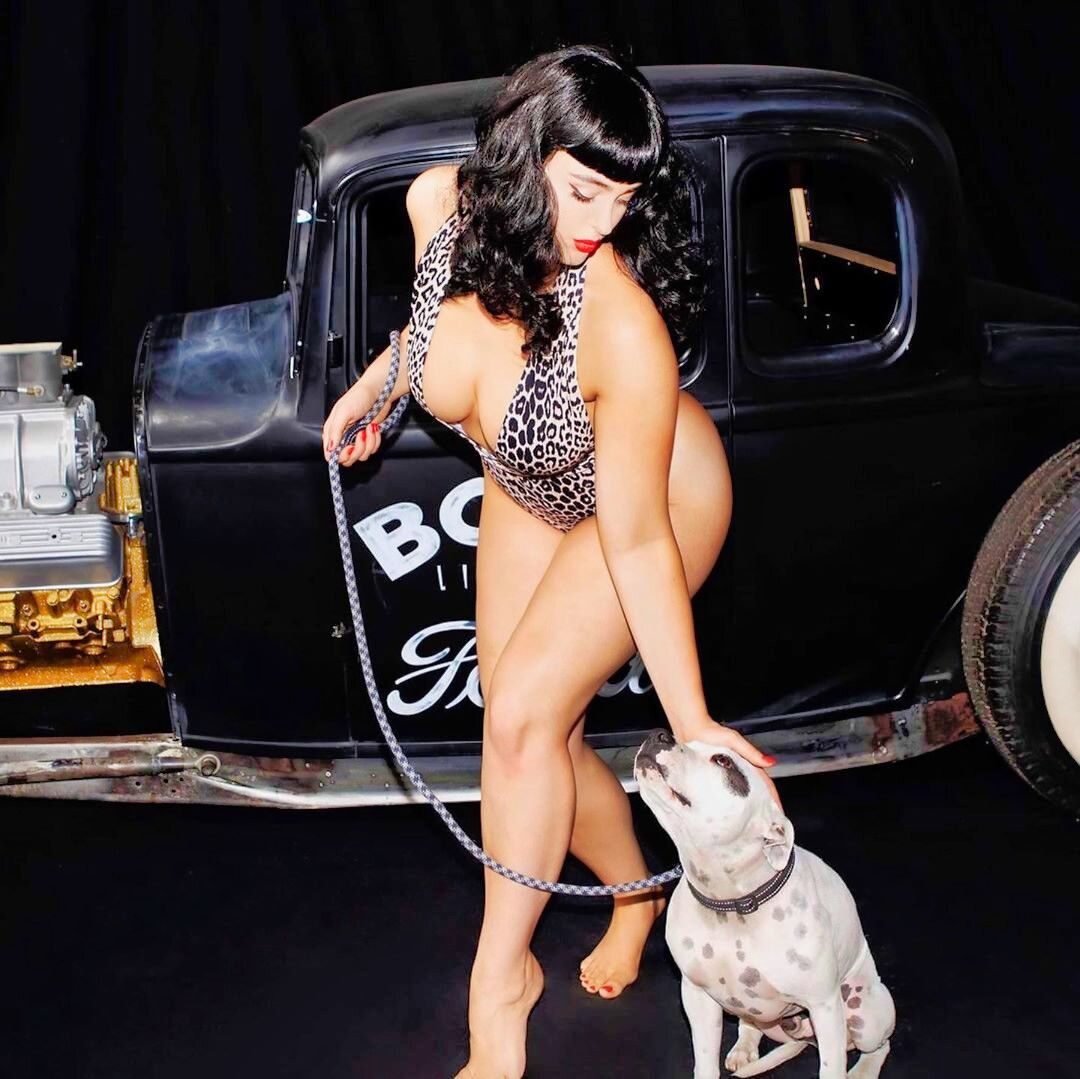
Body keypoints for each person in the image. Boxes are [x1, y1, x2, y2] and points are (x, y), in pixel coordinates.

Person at [323, 42, 783, 1079]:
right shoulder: (442, 204)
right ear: (523, 158)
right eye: (584, 190)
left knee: (525, 715)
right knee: (532, 729)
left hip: (655, 499)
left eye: (624, 198)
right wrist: (376, 388)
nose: (601, 222)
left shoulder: (621, 328)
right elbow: (428, 325)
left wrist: (692, 719)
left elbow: (637, 539)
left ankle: (501, 988)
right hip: (528, 484)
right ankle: (635, 894)